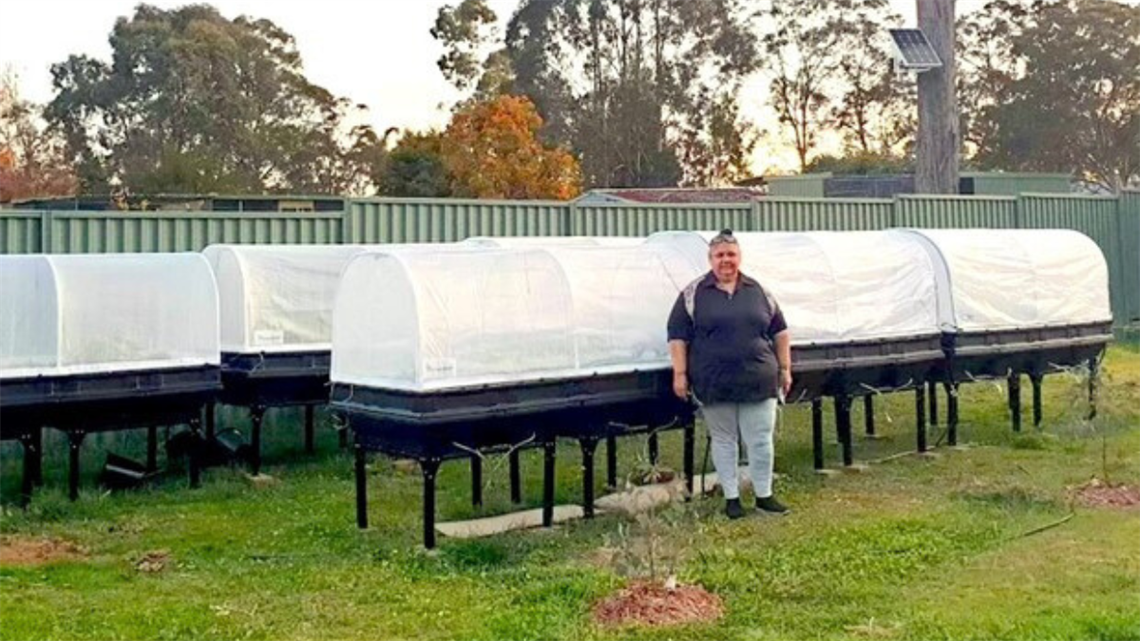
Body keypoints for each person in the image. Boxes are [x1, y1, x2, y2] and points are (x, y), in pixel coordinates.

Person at [667, 229, 792, 519]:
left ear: (740, 257)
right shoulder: (693, 293)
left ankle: (764, 495)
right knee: (724, 440)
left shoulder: (759, 291)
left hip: (758, 379)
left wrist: (785, 368)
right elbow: (677, 336)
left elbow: (781, 331)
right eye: (720, 255)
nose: (726, 260)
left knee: (760, 439)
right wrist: (680, 373)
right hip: (714, 381)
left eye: (731, 254)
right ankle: (732, 500)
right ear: (710, 259)